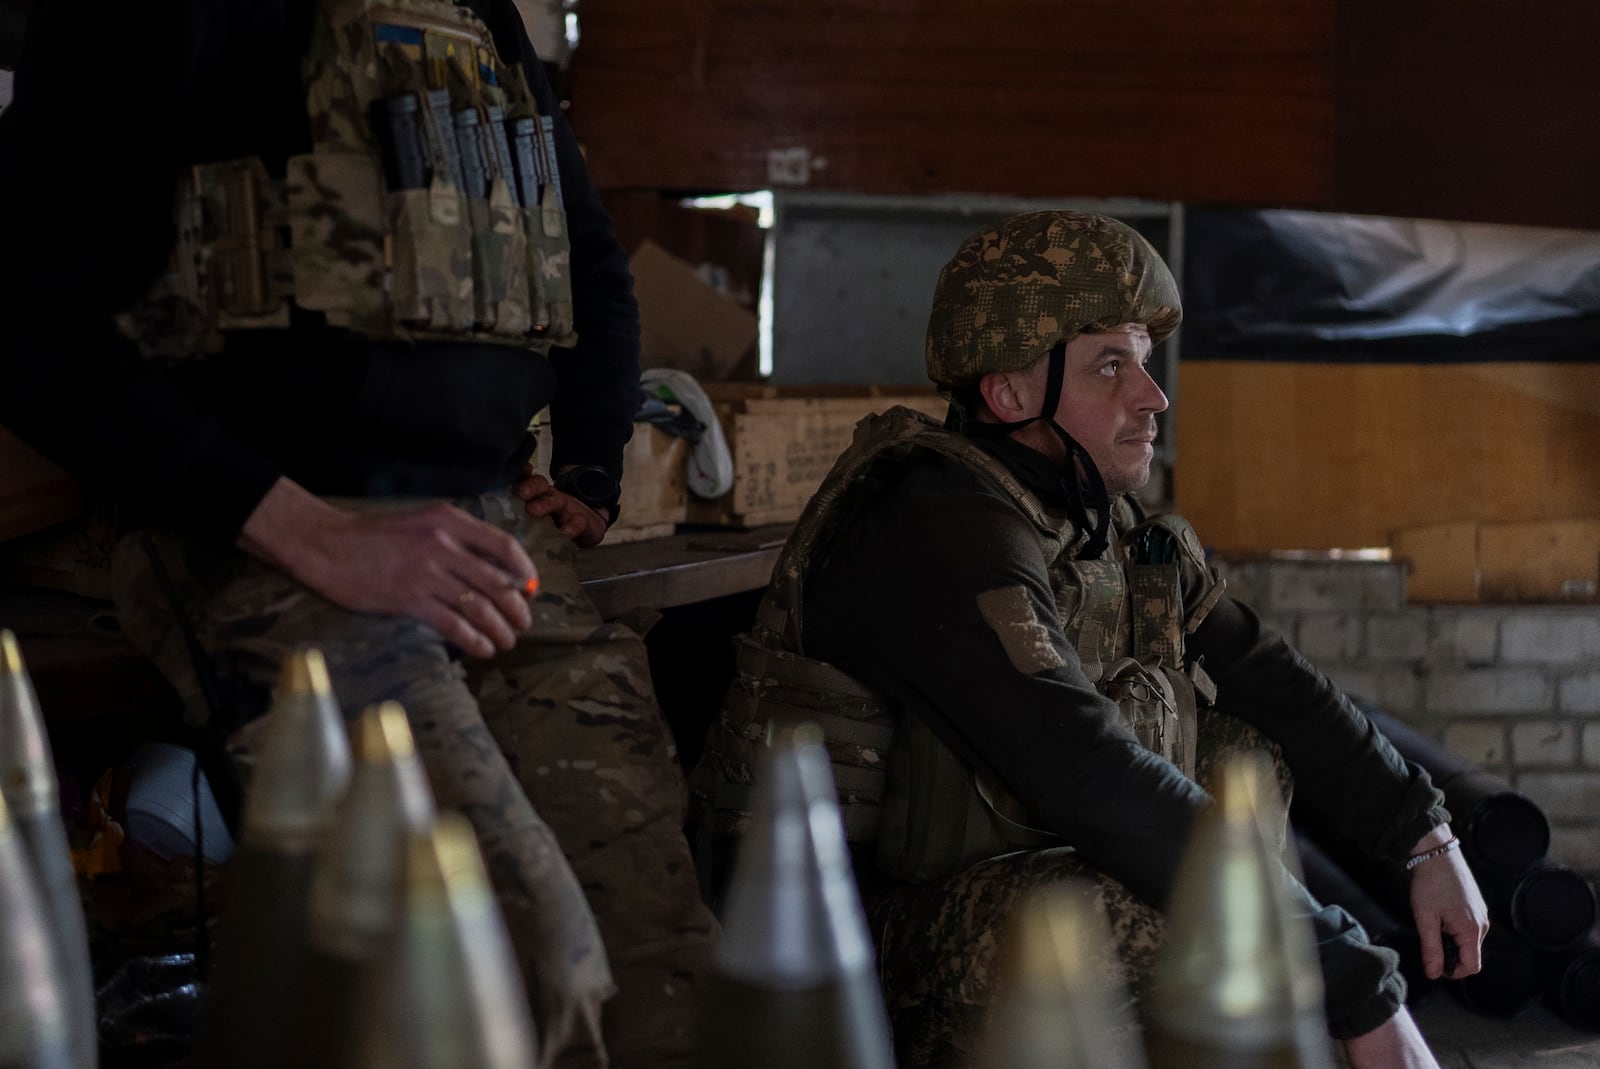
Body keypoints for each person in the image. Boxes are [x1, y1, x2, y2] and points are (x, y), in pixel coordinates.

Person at [0, 1, 715, 1065]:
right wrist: (297, 525)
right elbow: (23, 298)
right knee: (507, 975)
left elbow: (588, 259)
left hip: (494, 537)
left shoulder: (475, 11)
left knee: (671, 979)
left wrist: (589, 467)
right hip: (278, 536)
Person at [696, 210, 1489, 1067]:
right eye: (1111, 366)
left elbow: (1270, 675)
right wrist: (1357, 984)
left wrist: (1423, 835)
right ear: (1006, 393)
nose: (1151, 395)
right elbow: (1087, 771)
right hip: (841, 954)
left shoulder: (1097, 520)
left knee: (1249, 753)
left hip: (989, 898)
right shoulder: (939, 525)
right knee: (1146, 907)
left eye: (1144, 363)